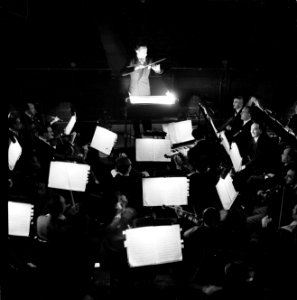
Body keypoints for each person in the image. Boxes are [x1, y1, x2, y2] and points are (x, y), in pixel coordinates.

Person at [122, 42, 163, 138]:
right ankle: (137, 136)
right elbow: (123, 72)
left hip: (146, 93)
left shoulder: (149, 60)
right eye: (143, 51)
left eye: (146, 52)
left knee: (147, 117)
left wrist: (158, 70)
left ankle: (148, 137)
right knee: (135, 118)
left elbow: (160, 71)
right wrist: (135, 67)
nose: (145, 54)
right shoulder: (132, 60)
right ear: (136, 51)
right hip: (134, 92)